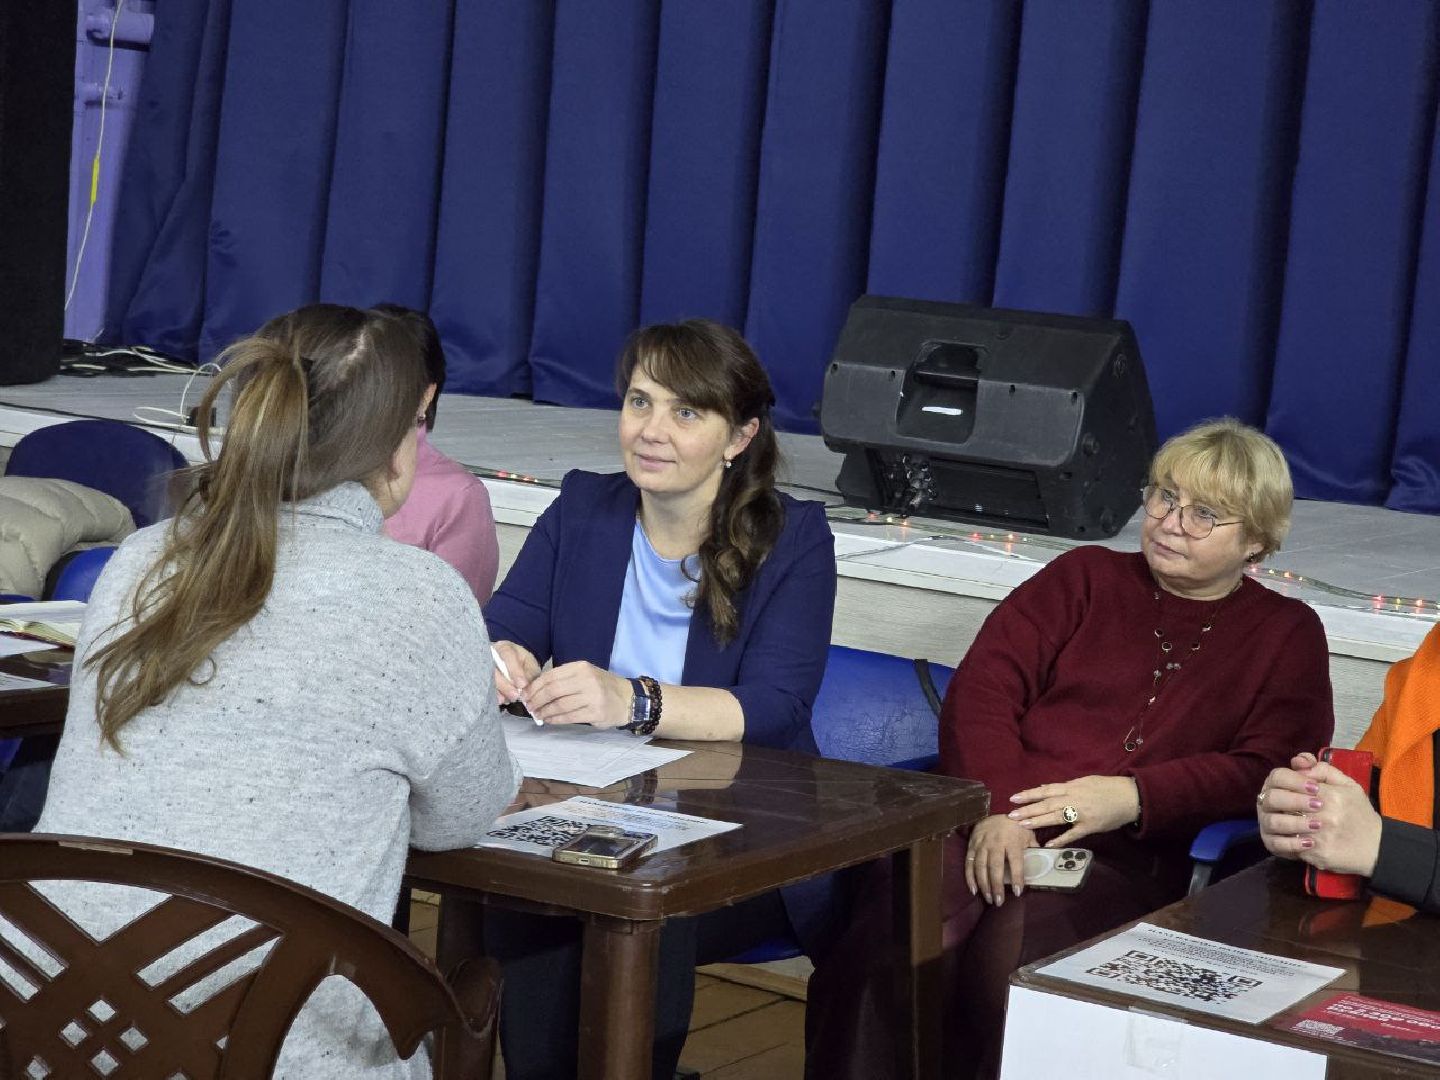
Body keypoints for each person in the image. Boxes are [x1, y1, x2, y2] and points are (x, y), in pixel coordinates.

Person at [20, 304, 522, 1078]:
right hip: (283, 1056)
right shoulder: (419, 596)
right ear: (397, 444)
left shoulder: (140, 561)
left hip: (61, 1036)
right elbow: (463, 816)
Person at [805, 418, 1334, 1080]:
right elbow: (984, 691)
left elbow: (1270, 770)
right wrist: (995, 808)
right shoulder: (1083, 577)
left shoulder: (1288, 634)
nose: (1171, 521)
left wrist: (1136, 797)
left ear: (1255, 541)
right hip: (983, 820)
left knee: (1016, 950)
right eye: (1164, 496)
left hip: (1126, 860)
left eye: (1205, 514)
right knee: (904, 934)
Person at [483, 318, 837, 1079]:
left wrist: (632, 701)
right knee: (534, 886)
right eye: (639, 402)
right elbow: (505, 623)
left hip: (738, 833)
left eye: (685, 412)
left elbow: (776, 705)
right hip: (581, 807)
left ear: (738, 437)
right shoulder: (584, 507)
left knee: (635, 890)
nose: (651, 430)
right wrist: (498, 659)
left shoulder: (794, 537)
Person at [1259, 622, 1440, 913]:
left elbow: (1377, 841)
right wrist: (1303, 816)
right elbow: (1370, 809)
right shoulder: (1419, 681)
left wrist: (1383, 848)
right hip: (1383, 937)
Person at [373, 303, 500, 602]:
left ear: (425, 395)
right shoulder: (319, 467)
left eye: (384, 379)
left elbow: (456, 622)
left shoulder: (460, 497)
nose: (366, 391)